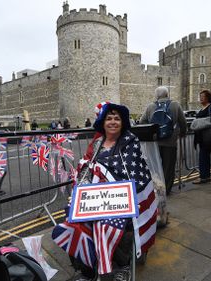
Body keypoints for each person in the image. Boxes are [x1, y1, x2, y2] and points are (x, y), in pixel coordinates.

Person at [52, 103, 157, 281]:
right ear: (103, 122)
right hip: (95, 199)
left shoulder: (130, 142)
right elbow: (86, 169)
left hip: (119, 200)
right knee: (71, 218)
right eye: (109, 118)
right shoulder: (98, 142)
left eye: (117, 118)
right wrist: (79, 194)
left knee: (103, 224)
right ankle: (86, 268)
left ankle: (114, 268)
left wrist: (127, 195)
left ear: (123, 122)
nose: (113, 122)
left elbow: (135, 174)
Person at [139, 86, 187, 193]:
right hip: (170, 141)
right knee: (168, 167)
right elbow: (182, 122)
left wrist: (152, 133)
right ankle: (167, 190)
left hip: (155, 142)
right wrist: (182, 133)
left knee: (155, 166)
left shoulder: (151, 106)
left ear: (156, 96)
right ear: (167, 94)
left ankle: (156, 188)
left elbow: (142, 122)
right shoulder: (175, 105)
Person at [192, 90, 211, 184]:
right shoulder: (202, 108)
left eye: (203, 96)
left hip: (207, 135)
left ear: (208, 97)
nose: (201, 98)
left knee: (203, 156)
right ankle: (206, 176)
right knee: (205, 156)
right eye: (200, 96)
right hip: (201, 136)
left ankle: (203, 177)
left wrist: (200, 121)